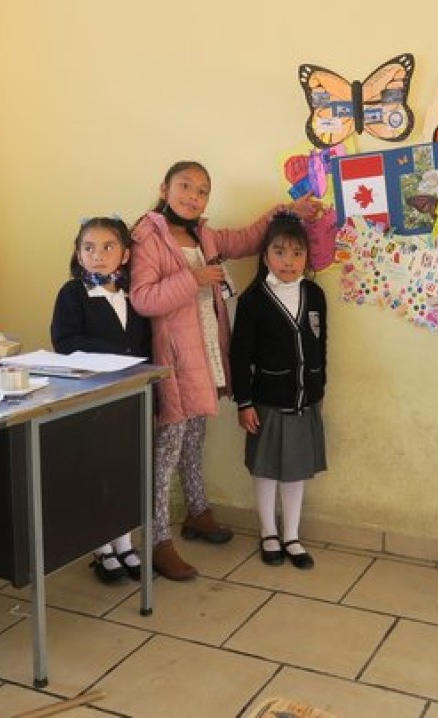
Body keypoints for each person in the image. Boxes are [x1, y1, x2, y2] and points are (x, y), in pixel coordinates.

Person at [130, 160, 317, 581]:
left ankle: (198, 512)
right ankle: (158, 541)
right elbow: (143, 299)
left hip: (205, 352)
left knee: (195, 438)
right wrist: (193, 278)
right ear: (163, 188)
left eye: (202, 191)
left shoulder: (204, 234)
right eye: (185, 186)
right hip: (174, 359)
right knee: (167, 452)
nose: (193, 196)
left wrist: (289, 211)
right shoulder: (148, 236)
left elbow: (248, 238)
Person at [50, 216, 151, 584]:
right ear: (79, 254)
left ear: (124, 254)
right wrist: (118, 353)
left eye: (108, 247)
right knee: (97, 472)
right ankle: (101, 546)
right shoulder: (73, 293)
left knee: (124, 470)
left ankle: (123, 542)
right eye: (89, 248)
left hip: (130, 398)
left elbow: (145, 343)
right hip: (92, 399)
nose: (98, 255)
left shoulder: (133, 294)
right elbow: (65, 342)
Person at [230, 212, 327, 570]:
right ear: (265, 255)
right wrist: (244, 403)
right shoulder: (253, 299)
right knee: (267, 468)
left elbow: (321, 344)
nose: (289, 261)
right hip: (267, 401)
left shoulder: (314, 294)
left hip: (305, 400)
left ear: (307, 257)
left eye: (297, 253)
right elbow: (239, 356)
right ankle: (268, 531)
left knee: (296, 469)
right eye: (280, 252)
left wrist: (319, 387)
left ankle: (292, 535)